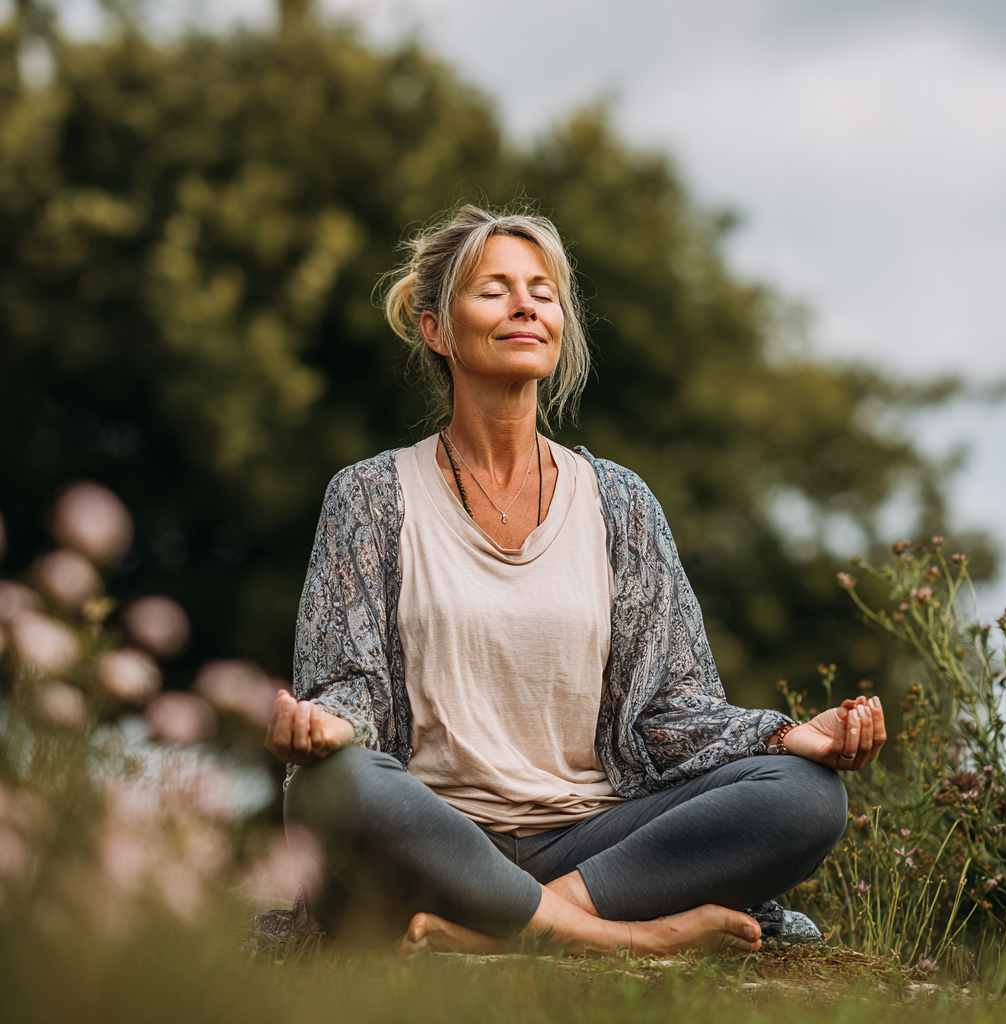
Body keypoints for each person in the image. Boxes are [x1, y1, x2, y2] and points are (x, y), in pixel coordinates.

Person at [263, 205, 886, 959]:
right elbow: (348, 690)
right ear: (436, 329)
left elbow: (669, 711)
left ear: (559, 326)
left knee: (806, 795)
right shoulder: (368, 497)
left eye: (543, 291)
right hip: (432, 837)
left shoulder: (619, 503)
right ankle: (634, 941)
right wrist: (327, 727)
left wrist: (788, 734)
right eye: (493, 290)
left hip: (593, 846)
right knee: (337, 786)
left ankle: (509, 929)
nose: (526, 304)